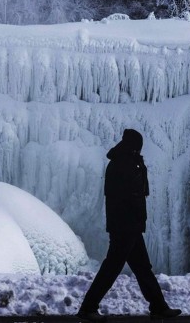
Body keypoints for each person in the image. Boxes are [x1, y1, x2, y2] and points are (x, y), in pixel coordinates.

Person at [77, 129, 182, 322]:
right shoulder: (121, 164)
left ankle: (159, 306)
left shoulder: (127, 163)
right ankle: (88, 307)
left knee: (142, 268)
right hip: (125, 227)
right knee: (112, 268)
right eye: (138, 146)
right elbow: (129, 196)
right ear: (133, 146)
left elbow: (139, 192)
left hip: (130, 226)